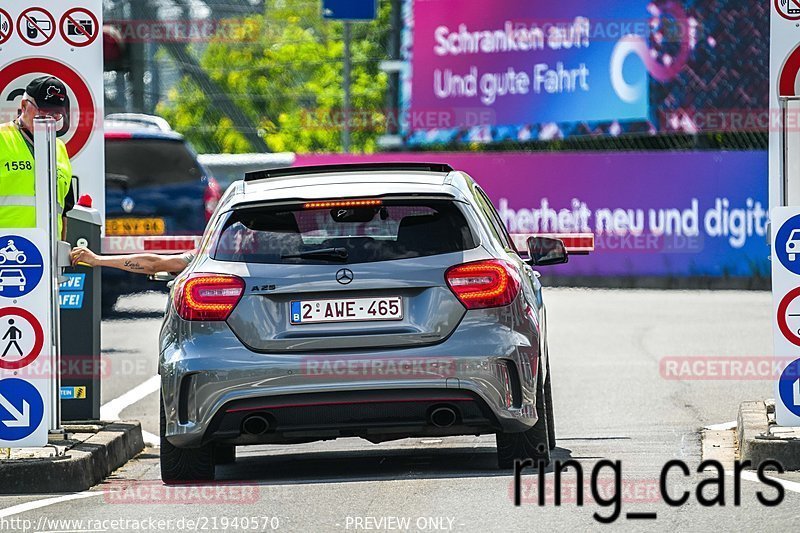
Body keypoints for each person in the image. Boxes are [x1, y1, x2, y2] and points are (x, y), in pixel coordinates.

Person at [0, 76, 74, 239]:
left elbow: (64, 212)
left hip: (47, 256)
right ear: (24, 105)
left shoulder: (59, 148)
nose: (49, 118)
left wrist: (60, 256)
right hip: (5, 253)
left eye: (56, 114)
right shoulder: (2, 138)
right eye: (44, 110)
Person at [69, 247, 195, 275]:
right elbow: (153, 265)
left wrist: (97, 260)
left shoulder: (206, 252)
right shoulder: (208, 252)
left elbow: (153, 265)